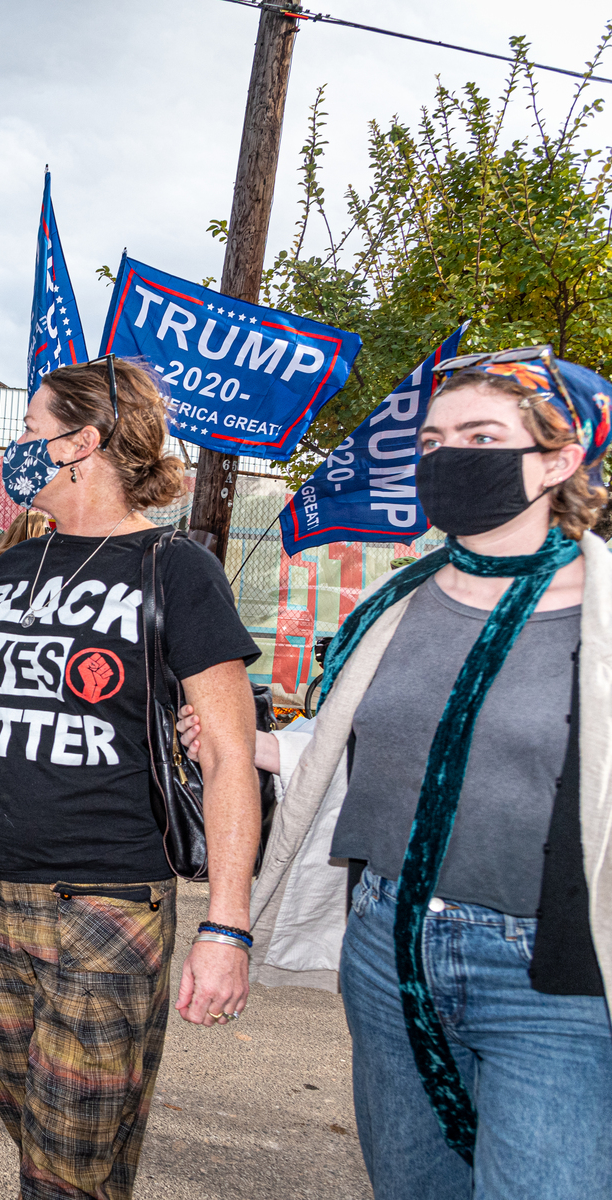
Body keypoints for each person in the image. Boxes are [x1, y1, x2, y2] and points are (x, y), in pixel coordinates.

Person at [200, 348, 612, 1199]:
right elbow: (351, 742)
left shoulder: (602, 611)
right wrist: (243, 741)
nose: (447, 456)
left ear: (563, 458)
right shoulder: (399, 600)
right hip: (389, 950)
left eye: (482, 435)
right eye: (433, 439)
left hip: (553, 977)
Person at [0, 356, 261, 1200]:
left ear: (83, 442)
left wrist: (228, 927)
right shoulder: (13, 565)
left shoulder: (177, 570)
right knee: (45, 1138)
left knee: (65, 1162)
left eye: (31, 431)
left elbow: (225, 756)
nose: (18, 447)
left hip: (104, 905)